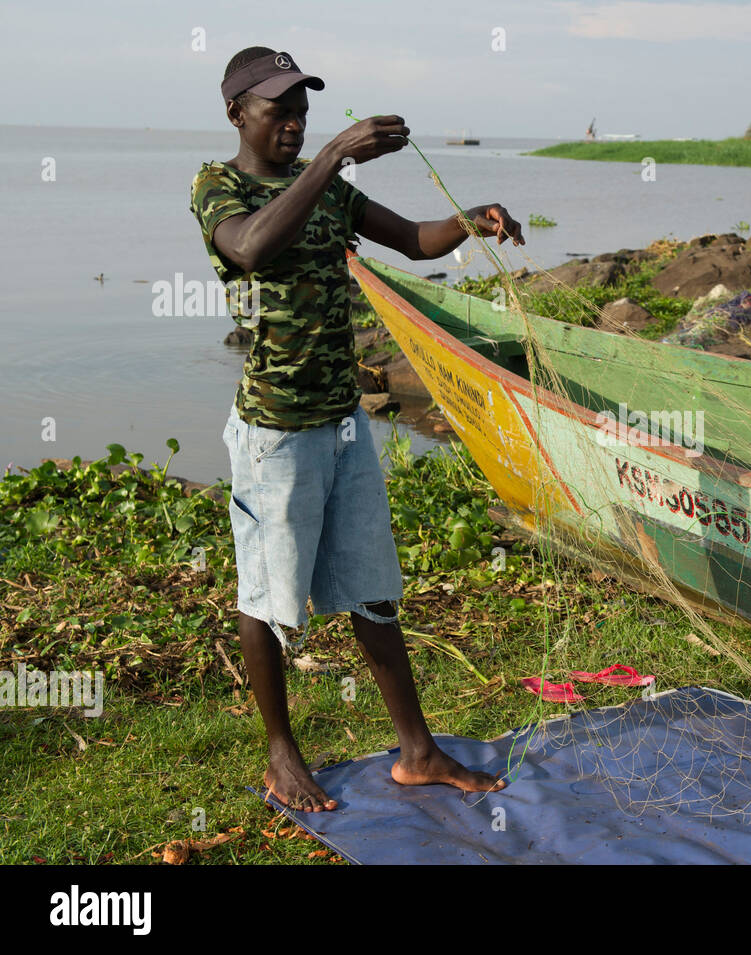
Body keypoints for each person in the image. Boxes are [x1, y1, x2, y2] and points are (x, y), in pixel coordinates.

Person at [190, 46, 524, 811]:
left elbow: (412, 238)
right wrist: (334, 154)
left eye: (303, 108)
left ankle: (417, 750)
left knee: (373, 591)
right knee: (269, 597)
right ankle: (282, 755)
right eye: (278, 108)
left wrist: (472, 220)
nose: (294, 122)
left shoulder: (330, 192)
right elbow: (249, 247)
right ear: (237, 112)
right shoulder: (220, 186)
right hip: (275, 431)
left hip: (343, 425)